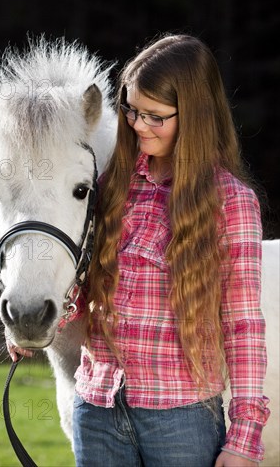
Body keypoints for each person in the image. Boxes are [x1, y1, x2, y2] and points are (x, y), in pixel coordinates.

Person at [72, 34, 269, 467]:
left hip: (181, 418)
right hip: (97, 408)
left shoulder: (230, 201)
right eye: (130, 110)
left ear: (194, 116)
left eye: (154, 116)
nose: (137, 125)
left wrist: (244, 438)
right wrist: (41, 320)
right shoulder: (111, 186)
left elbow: (243, 325)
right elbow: (85, 289)